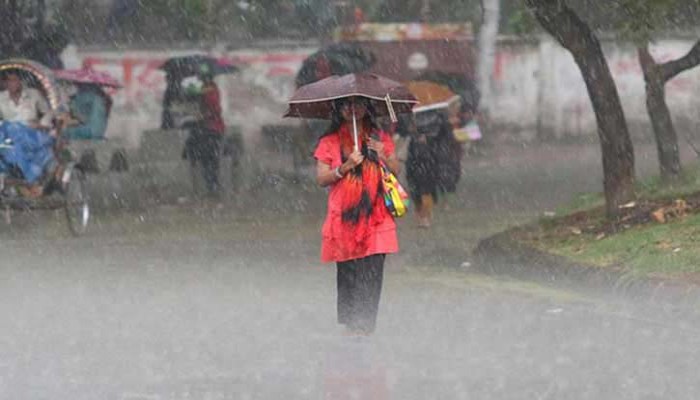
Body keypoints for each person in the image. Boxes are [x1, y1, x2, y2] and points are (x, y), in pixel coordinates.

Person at [314, 96, 400, 335]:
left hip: (377, 216)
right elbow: (321, 178)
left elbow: (396, 170)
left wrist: (384, 153)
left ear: (367, 108)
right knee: (349, 273)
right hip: (344, 217)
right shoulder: (329, 142)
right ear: (339, 110)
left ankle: (365, 326)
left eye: (358, 104)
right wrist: (345, 167)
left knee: (371, 274)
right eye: (346, 105)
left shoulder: (379, 138)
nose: (352, 110)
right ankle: (352, 324)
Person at [0, 71, 58, 192]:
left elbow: (49, 112)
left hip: (31, 133)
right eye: (9, 81)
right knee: (7, 133)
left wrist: (41, 124)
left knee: (13, 133)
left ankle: (23, 171)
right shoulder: (1, 98)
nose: (12, 84)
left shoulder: (33, 95)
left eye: (14, 80)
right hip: (8, 134)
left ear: (20, 81)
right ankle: (14, 168)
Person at [403, 109, 461, 228]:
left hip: (430, 158)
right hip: (414, 156)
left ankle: (425, 216)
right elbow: (404, 129)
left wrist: (429, 138)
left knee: (426, 189)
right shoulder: (411, 111)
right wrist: (412, 129)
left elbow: (445, 135)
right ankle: (421, 214)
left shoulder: (439, 114)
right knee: (415, 190)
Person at [184, 64, 225, 197]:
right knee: (209, 160)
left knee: (209, 160)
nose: (201, 79)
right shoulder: (208, 89)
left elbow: (214, 110)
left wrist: (202, 116)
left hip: (211, 129)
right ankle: (211, 187)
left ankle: (212, 188)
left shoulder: (209, 90)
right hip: (212, 129)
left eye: (202, 76)